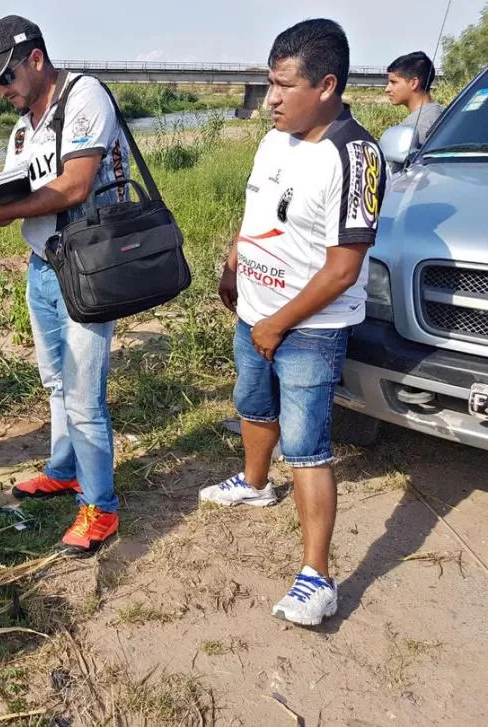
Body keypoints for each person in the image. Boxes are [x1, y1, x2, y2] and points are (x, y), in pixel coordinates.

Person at [198, 19, 387, 627]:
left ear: (327, 85)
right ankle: (256, 484)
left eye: (283, 86)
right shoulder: (276, 138)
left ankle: (318, 577)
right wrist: (233, 266)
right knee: (253, 403)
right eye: (268, 83)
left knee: (307, 445)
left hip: (310, 326)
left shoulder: (355, 156)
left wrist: (279, 323)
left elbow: (342, 269)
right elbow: (254, 210)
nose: (271, 99)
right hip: (256, 311)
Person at [0, 16, 131, 556]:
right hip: (43, 267)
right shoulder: (20, 127)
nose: (1, 91)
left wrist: (4, 212)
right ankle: (64, 469)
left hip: (89, 267)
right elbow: (19, 193)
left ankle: (101, 509)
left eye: (5, 78)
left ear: (35, 59)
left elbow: (76, 185)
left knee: (84, 397)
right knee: (56, 382)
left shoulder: (85, 98)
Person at [385, 51, 444, 155]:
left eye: (393, 82)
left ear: (413, 83)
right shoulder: (443, 113)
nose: (387, 89)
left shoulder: (415, 128)